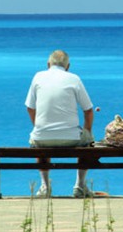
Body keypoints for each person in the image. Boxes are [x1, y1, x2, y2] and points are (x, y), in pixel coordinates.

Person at [25, 50, 95, 198]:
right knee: (88, 142)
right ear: (68, 66)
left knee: (40, 139)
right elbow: (88, 110)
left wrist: (38, 126)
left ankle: (45, 186)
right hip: (72, 138)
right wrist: (87, 131)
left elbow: (30, 107)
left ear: (48, 64)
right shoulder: (74, 79)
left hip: (42, 137)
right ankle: (80, 185)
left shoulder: (38, 77)